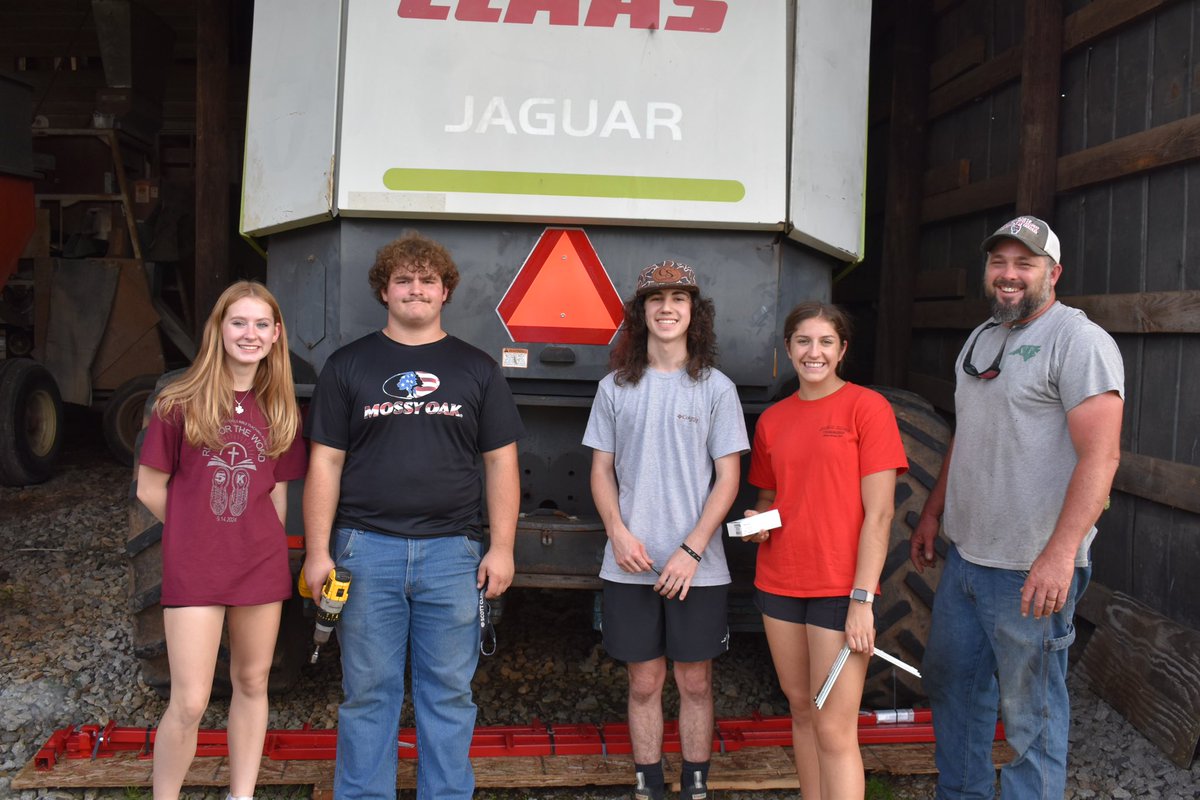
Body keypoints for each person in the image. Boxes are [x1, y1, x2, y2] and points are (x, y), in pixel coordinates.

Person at [303, 231, 523, 800]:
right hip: (363, 551)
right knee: (368, 692)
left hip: (453, 554)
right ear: (384, 291)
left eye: (428, 280)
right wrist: (318, 550)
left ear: (445, 291)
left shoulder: (477, 370)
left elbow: (500, 463)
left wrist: (502, 547)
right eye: (404, 280)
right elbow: (324, 462)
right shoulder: (347, 365)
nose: (416, 290)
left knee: (448, 692)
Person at [911, 215, 1125, 799]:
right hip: (967, 559)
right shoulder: (981, 339)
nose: (1008, 275)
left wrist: (1059, 556)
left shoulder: (1079, 343)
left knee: (1031, 715)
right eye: (998, 263)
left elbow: (1101, 459)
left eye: (1023, 264)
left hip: (1032, 570)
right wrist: (934, 512)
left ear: (1053, 273)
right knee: (953, 687)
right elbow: (969, 432)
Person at [583, 260, 748, 800]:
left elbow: (728, 479)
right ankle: (649, 784)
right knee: (644, 682)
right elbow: (601, 470)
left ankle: (696, 784)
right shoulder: (614, 388)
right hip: (630, 563)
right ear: (642, 312)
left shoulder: (716, 388)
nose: (667, 308)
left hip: (695, 569)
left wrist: (692, 550)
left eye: (679, 299)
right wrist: (618, 532)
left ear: (693, 313)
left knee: (695, 682)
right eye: (656, 299)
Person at [136, 281, 307, 800]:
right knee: (189, 700)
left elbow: (277, 497)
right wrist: (198, 534)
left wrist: (263, 544)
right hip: (196, 566)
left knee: (253, 683)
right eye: (238, 322)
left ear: (276, 335)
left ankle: (242, 795)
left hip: (259, 565)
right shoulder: (178, 402)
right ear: (219, 329)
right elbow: (149, 488)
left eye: (261, 324)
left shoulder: (281, 410)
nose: (249, 334)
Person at [741, 301, 907, 800]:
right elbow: (769, 498)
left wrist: (862, 599)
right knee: (801, 710)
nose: (814, 352)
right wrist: (757, 524)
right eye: (804, 342)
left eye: (826, 342)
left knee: (834, 729)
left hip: (840, 587)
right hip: (780, 581)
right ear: (789, 350)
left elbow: (879, 515)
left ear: (842, 350)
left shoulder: (867, 409)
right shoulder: (773, 419)